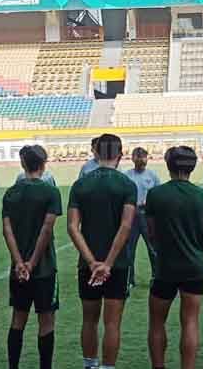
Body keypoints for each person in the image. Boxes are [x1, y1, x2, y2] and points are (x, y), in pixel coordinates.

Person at [67, 134, 137, 369]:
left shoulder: (80, 184)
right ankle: (108, 366)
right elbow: (125, 226)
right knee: (112, 323)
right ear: (120, 154)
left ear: (95, 153)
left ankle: (90, 365)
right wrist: (108, 263)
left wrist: (91, 262)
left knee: (89, 320)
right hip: (118, 264)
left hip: (88, 265)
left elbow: (72, 227)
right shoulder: (127, 184)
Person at [145, 146, 203, 369]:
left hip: (166, 267)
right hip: (195, 265)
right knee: (190, 322)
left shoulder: (156, 194)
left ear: (168, 165)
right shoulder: (202, 195)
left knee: (156, 322)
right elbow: (202, 229)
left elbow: (151, 232)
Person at [2, 146, 62, 369]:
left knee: (18, 318)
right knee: (46, 320)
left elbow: (7, 230)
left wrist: (19, 262)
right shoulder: (50, 192)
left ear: (22, 163)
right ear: (44, 163)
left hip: (17, 269)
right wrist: (32, 263)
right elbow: (46, 229)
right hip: (44, 267)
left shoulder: (11, 192)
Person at [124, 147, 161, 287]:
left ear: (147, 158)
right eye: (137, 157)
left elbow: (159, 195)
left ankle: (156, 277)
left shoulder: (152, 176)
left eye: (143, 157)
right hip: (131, 216)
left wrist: (149, 202)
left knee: (153, 248)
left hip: (148, 216)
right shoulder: (127, 176)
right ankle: (129, 280)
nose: (140, 160)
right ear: (132, 158)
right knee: (129, 249)